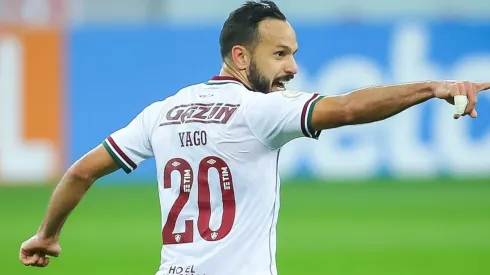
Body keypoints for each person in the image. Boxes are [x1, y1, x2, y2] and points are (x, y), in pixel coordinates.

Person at [19, 1, 489, 274]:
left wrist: (47, 235)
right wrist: (434, 87)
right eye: (281, 54)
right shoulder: (259, 110)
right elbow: (346, 108)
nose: (293, 68)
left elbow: (81, 171)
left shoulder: (163, 111)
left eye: (294, 53)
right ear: (241, 57)